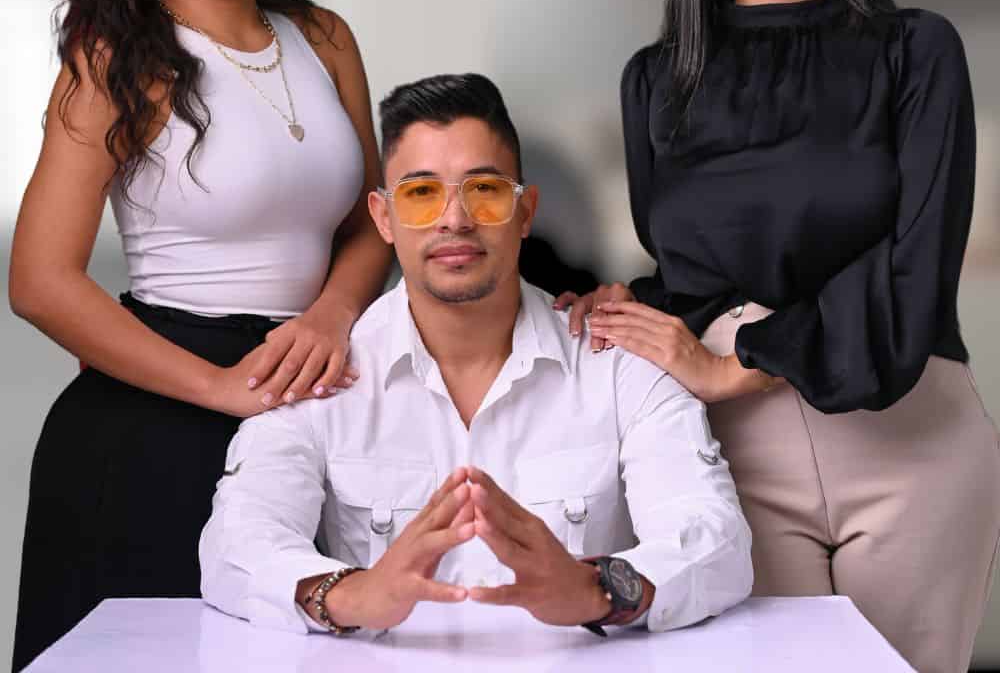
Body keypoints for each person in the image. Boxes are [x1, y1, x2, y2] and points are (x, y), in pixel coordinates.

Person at [557, 0, 1000, 673]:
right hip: (738, 457)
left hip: (907, 440)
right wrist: (624, 308)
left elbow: (914, 263)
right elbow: (696, 274)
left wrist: (733, 366)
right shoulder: (657, 81)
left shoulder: (917, 51)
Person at [9, 0, 391, 671]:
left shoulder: (323, 37)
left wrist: (332, 314)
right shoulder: (116, 61)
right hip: (160, 419)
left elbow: (370, 222)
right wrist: (220, 389)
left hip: (310, 393)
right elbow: (40, 281)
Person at [199, 73, 753, 636]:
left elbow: (717, 538)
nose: (455, 219)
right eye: (421, 194)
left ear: (525, 211)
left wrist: (598, 590)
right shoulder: (322, 375)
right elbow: (234, 545)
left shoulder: (618, 362)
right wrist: (349, 595)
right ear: (383, 218)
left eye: (484, 189)